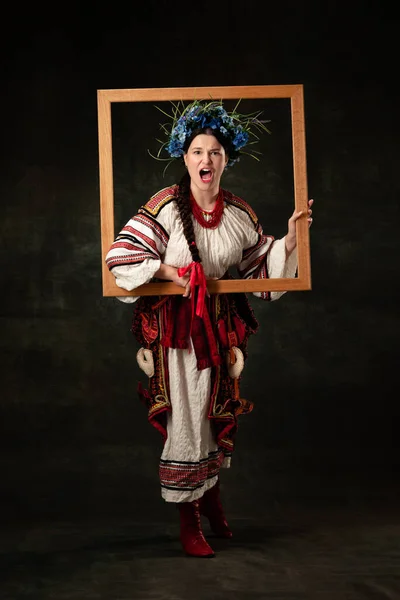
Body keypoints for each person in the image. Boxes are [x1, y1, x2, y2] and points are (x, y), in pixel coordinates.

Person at [105, 100, 313, 558]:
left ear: (226, 161)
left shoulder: (238, 212)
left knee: (213, 416)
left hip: (219, 332)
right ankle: (190, 521)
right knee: (186, 418)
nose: (206, 160)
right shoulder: (161, 208)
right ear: (185, 157)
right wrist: (169, 272)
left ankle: (213, 501)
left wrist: (292, 241)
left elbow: (262, 273)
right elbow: (120, 259)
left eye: (215, 152)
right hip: (175, 333)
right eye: (198, 151)